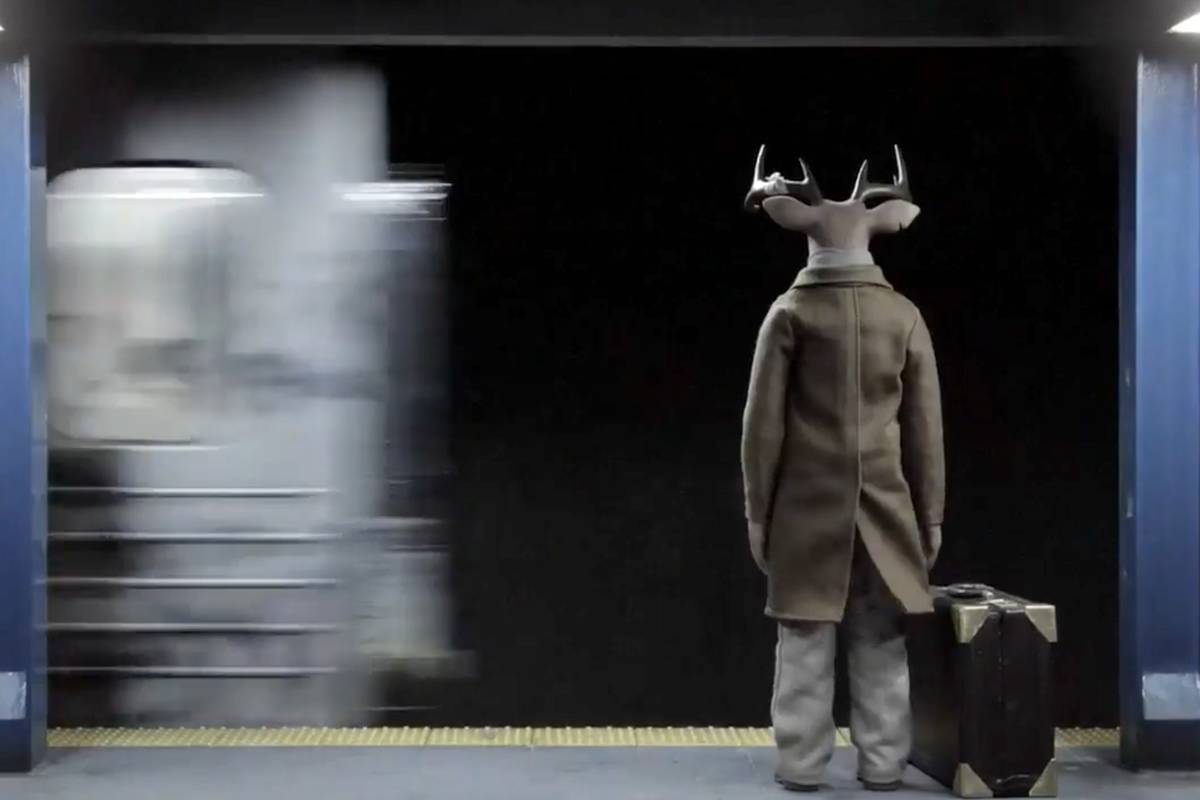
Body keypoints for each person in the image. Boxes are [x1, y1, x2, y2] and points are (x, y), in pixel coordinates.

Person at [741, 145, 945, 792]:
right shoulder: (902, 315)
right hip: (887, 507)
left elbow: (762, 428)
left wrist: (757, 511)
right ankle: (883, 762)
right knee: (881, 640)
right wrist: (931, 516)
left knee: (804, 640)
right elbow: (925, 430)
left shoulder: (790, 313)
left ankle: (801, 764)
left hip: (805, 508)